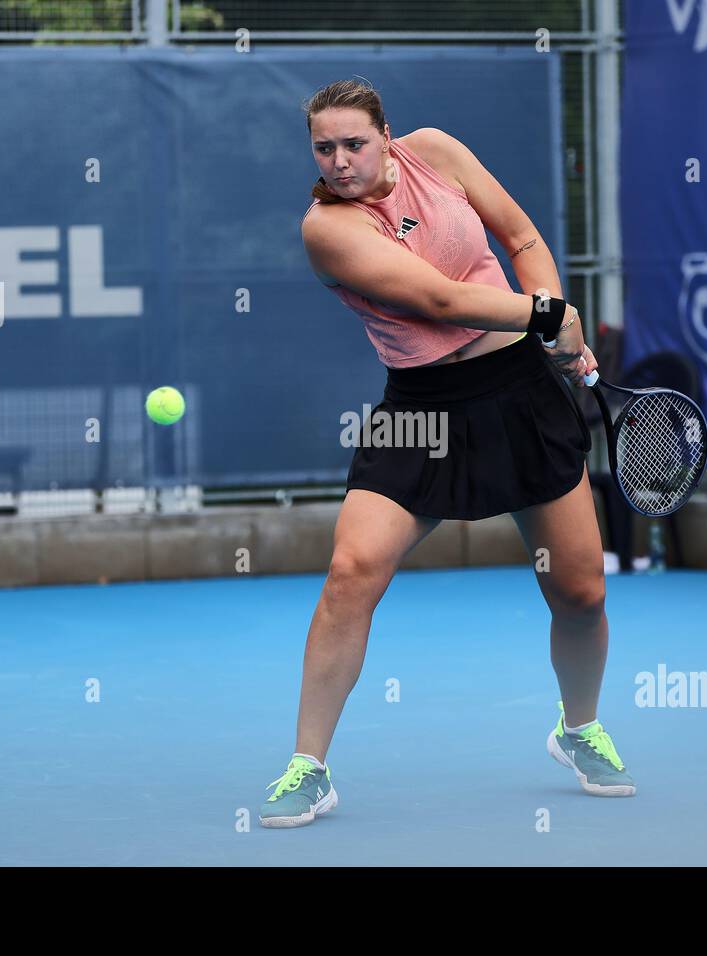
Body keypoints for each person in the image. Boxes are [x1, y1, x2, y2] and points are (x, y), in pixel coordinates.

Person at [258, 78, 635, 828]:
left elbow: (522, 239)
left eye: (353, 144)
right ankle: (308, 767)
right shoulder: (327, 228)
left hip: (524, 396)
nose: (338, 161)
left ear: (387, 135)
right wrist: (551, 314)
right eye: (323, 148)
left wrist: (554, 338)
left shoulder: (437, 153)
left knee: (580, 592)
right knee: (350, 573)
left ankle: (579, 727)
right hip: (422, 413)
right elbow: (437, 300)